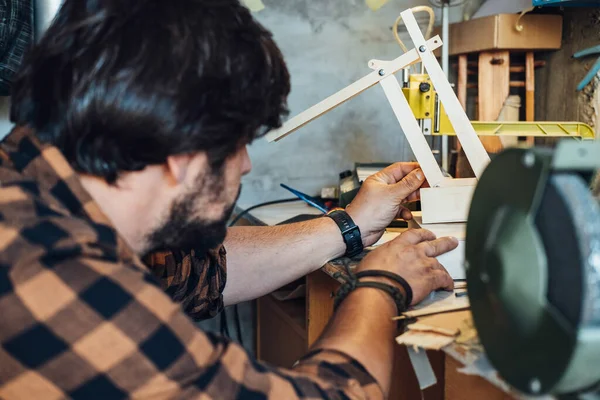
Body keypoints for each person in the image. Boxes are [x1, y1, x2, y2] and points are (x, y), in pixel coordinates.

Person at [0, 0, 458, 398]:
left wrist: (349, 226)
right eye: (238, 143)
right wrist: (380, 287)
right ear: (183, 151)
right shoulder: (55, 271)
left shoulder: (32, 186)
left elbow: (196, 271)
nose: (245, 166)